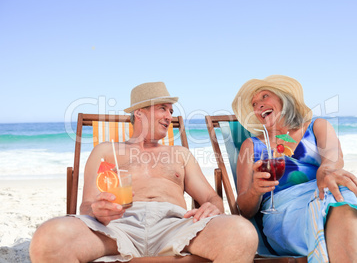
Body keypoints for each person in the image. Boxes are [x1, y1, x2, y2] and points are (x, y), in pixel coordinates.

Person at [30, 82, 258, 263]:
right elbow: (87, 205)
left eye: (171, 111)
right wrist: (96, 211)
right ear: (139, 113)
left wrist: (213, 206)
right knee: (48, 238)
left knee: (242, 233)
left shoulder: (180, 154)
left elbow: (211, 199)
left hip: (176, 226)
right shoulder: (106, 151)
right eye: (162, 108)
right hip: (117, 227)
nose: (169, 116)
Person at [232, 75, 357, 263]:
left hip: (325, 190)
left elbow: (333, 158)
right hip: (286, 214)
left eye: (264, 96)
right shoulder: (251, 145)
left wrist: (326, 171)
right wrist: (255, 191)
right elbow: (245, 209)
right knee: (348, 212)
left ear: (284, 99)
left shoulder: (317, 126)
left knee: (340, 196)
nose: (259, 105)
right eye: (254, 104)